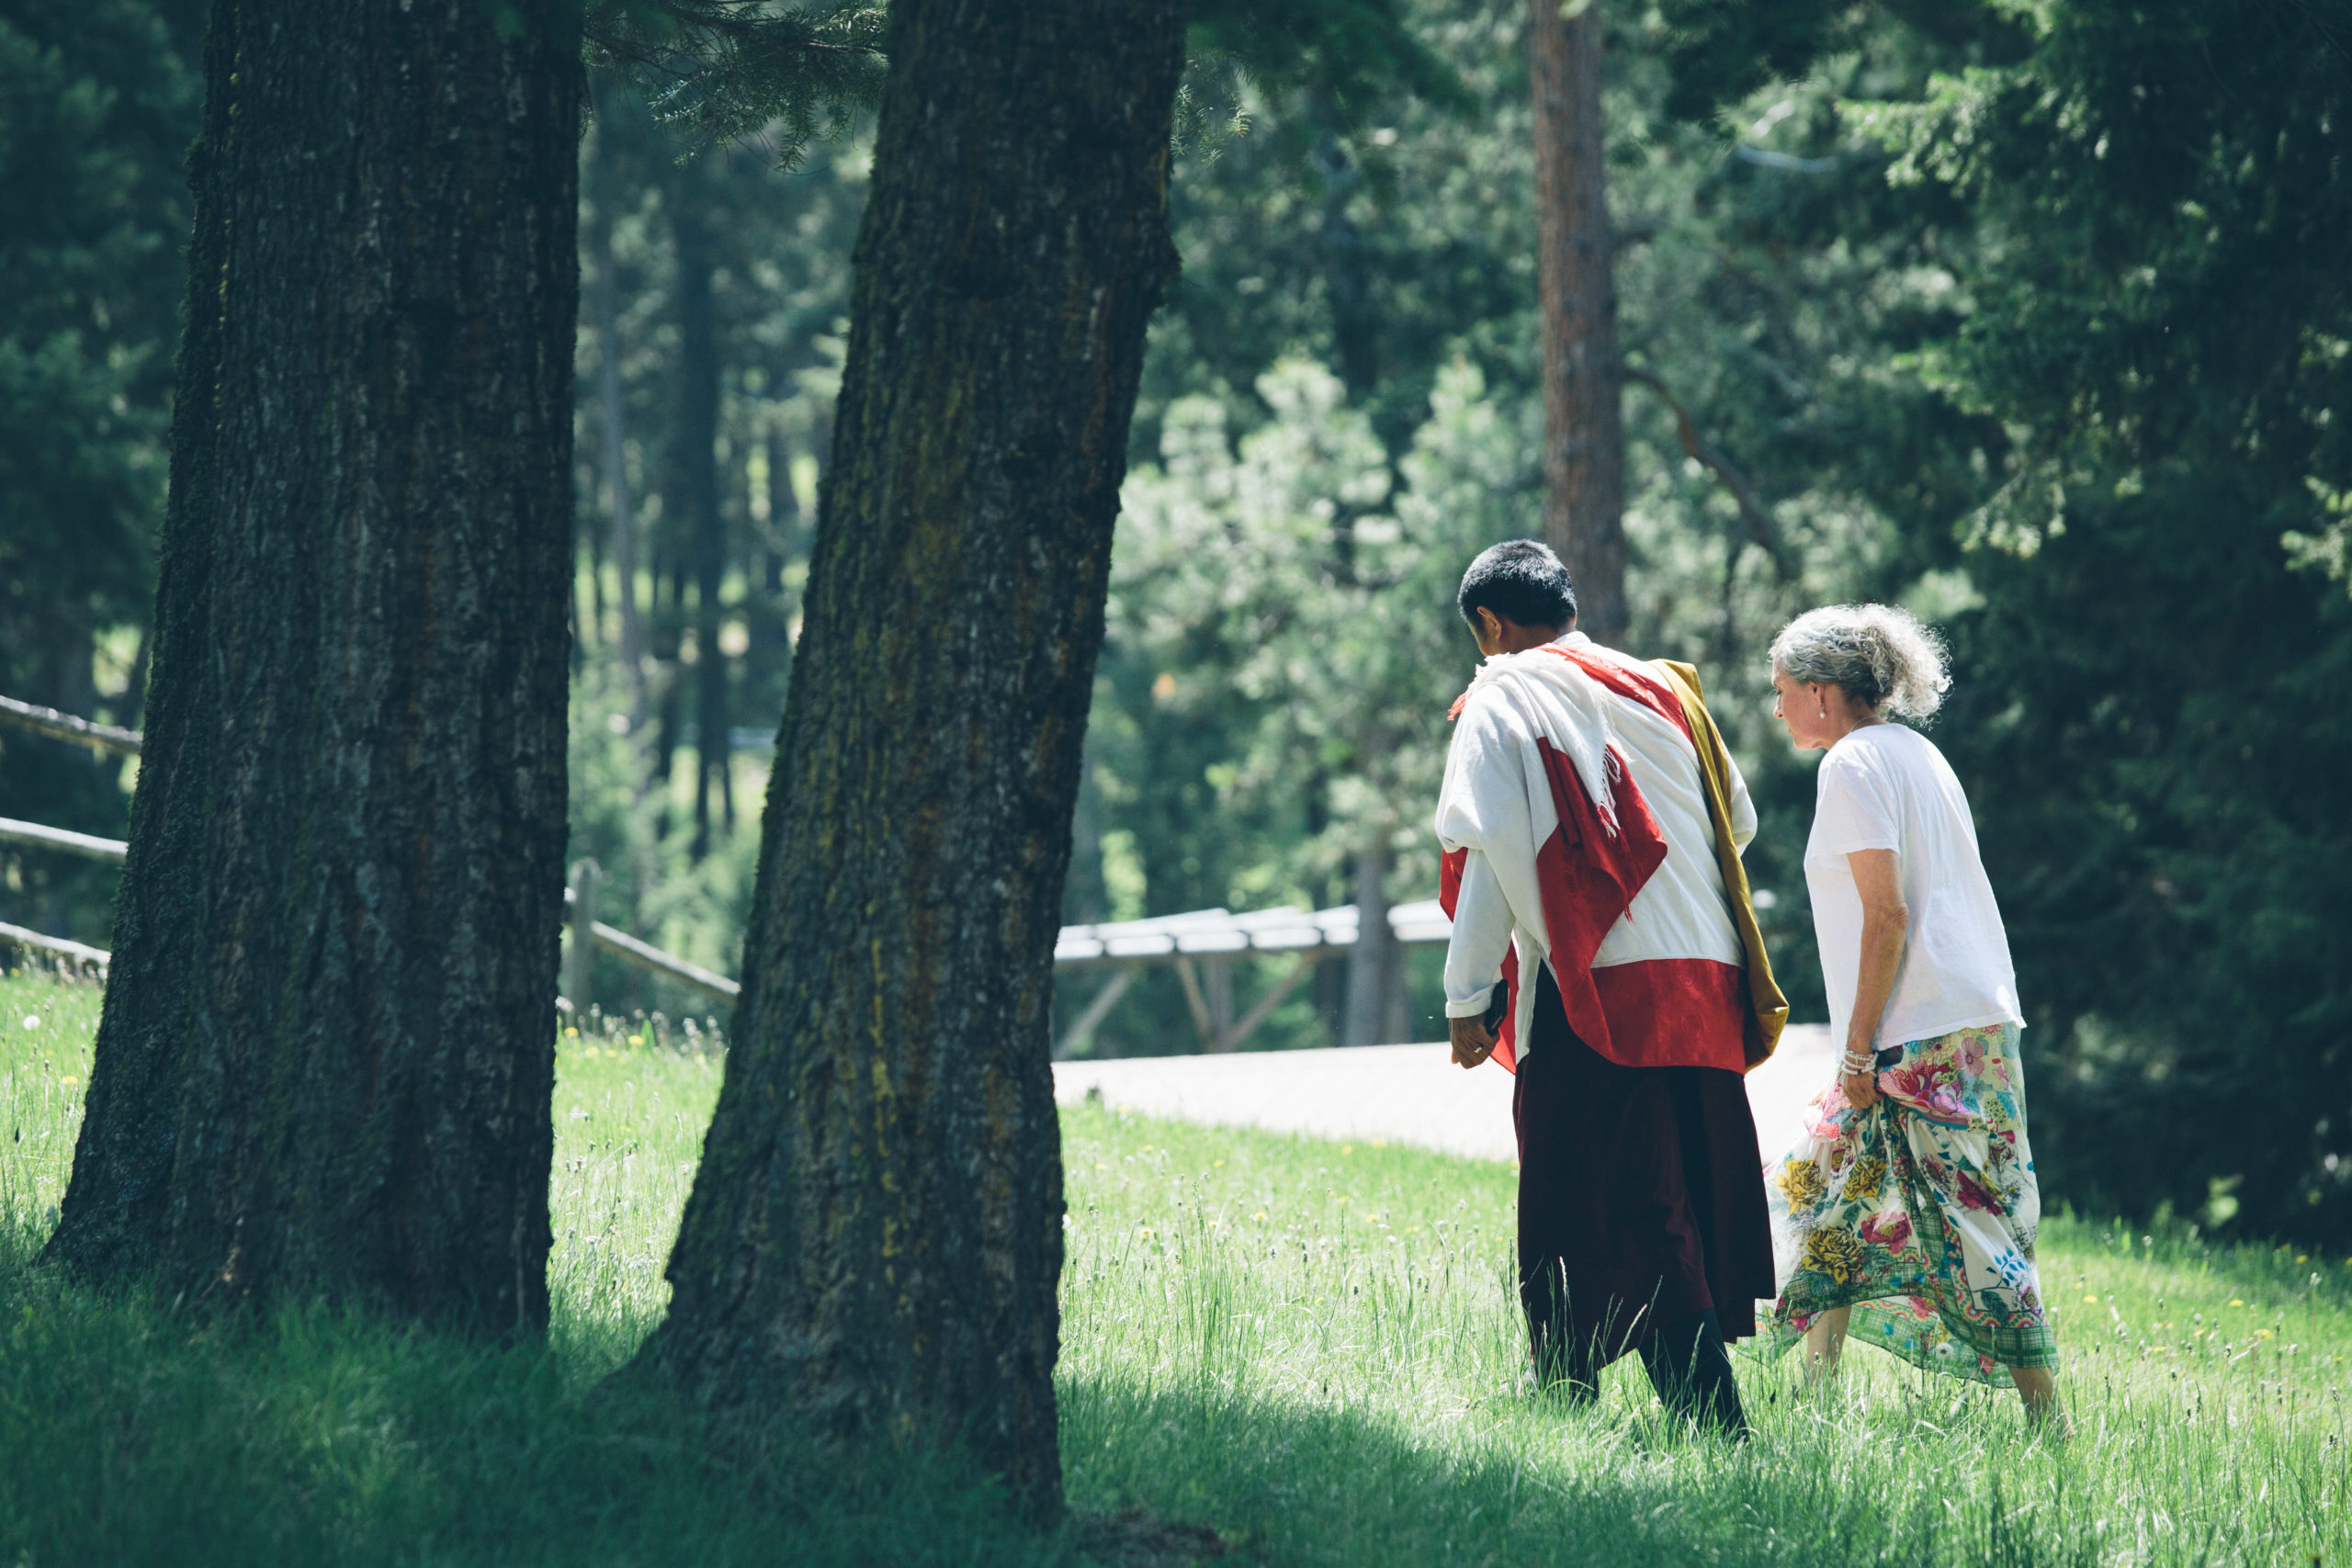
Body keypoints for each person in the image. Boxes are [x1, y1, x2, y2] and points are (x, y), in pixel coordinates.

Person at [1434, 540, 1788, 1434]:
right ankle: (1564, 1396)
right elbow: (1734, 818)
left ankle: (1713, 1428)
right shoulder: (1664, 685)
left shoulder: (1503, 692)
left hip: (1602, 982)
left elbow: (1490, 853)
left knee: (1608, 1202)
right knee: (1654, 1198)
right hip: (1706, 975)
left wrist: (1467, 995)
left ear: (1490, 624)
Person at [1759, 604, 2061, 1424]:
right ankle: (1813, 1395)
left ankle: (2050, 1419)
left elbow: (1886, 914)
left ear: (1823, 693)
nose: (1776, 705)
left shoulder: (1852, 764)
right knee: (1837, 1191)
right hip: (1973, 1014)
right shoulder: (1917, 753)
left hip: (1916, 1029)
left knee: (1973, 1218)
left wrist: (1858, 1050)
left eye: (1782, 689)